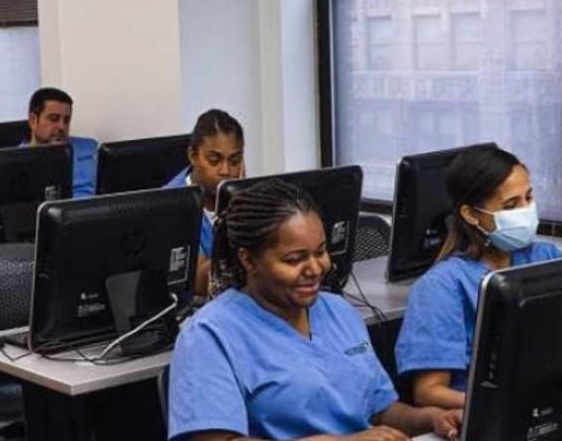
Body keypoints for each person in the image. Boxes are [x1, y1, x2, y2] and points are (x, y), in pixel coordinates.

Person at [169, 179, 463, 440]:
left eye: (321, 251)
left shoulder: (339, 311)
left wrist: (430, 419)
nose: (316, 268)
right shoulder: (210, 336)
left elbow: (379, 412)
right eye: (294, 259)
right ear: (249, 260)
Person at [395, 144, 562, 410]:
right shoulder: (441, 287)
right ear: (471, 214)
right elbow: (428, 392)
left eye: (528, 198)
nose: (526, 211)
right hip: (491, 413)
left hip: (548, 403)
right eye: (511, 205)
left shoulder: (546, 256)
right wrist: (500, 404)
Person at [164, 109, 245, 302]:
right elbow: (199, 281)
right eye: (214, 160)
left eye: (235, 161)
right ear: (193, 155)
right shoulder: (172, 205)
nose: (226, 171)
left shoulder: (243, 194)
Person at [24, 87, 98, 197]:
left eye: (66, 120)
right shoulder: (18, 161)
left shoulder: (91, 148)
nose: (62, 126)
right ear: (33, 120)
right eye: (54, 119)